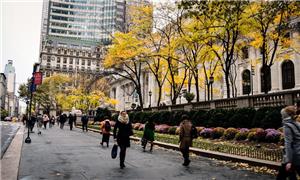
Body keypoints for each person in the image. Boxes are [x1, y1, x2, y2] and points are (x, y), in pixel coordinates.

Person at [276, 106, 300, 180]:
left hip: (292, 157)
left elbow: (288, 144)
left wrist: (288, 161)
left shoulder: (287, 126)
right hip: (298, 155)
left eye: (281, 115)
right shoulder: (297, 124)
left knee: (281, 177)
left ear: (284, 116)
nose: (281, 116)